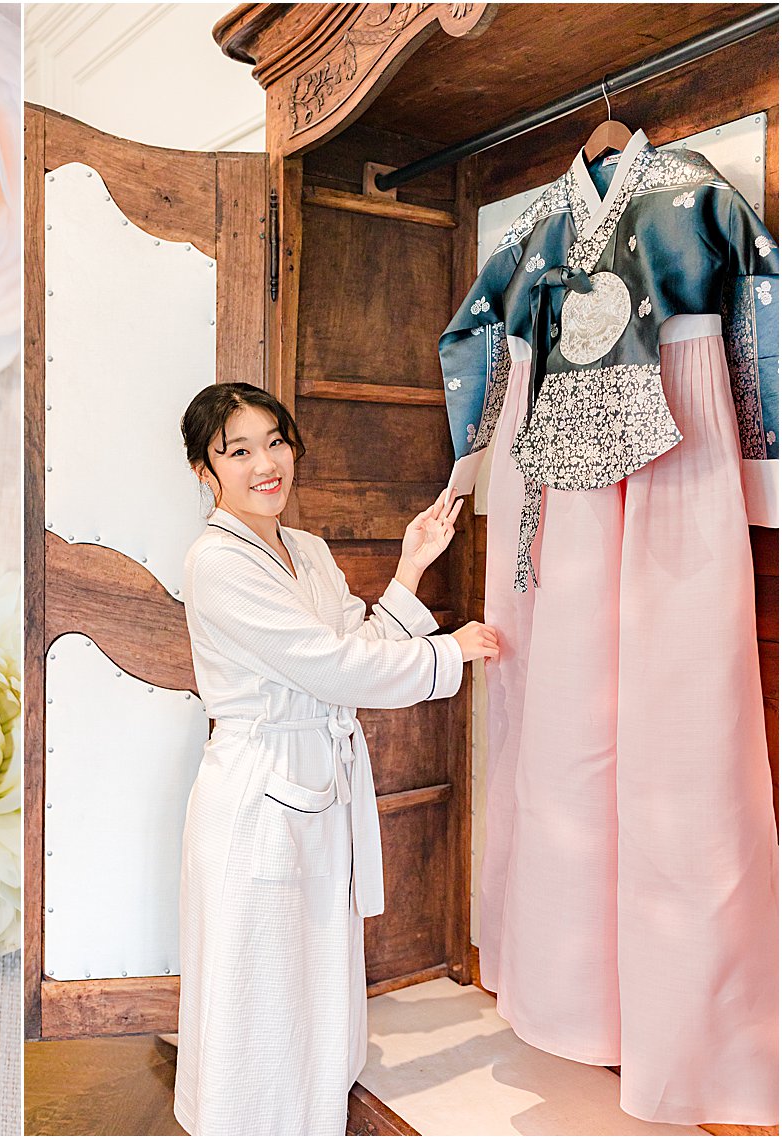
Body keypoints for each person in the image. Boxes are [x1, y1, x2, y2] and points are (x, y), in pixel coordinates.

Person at [173, 382, 499, 1136]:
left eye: (276, 441)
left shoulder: (308, 550)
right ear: (205, 471)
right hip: (257, 792)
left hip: (316, 779)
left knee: (310, 969)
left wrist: (412, 565)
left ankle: (309, 1113)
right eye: (240, 450)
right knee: (258, 975)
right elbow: (330, 666)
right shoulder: (217, 561)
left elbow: (361, 642)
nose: (266, 463)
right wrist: (449, 653)